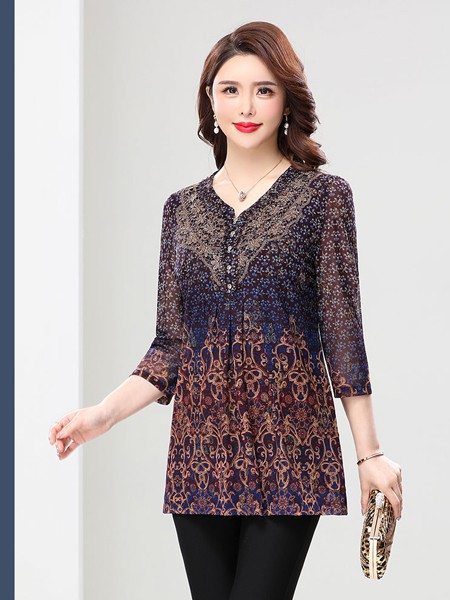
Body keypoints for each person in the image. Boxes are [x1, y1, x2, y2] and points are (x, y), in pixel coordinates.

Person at [48, 21, 403, 600]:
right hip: (201, 452)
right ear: (210, 101)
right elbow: (170, 347)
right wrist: (102, 416)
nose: (247, 106)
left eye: (264, 90)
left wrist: (371, 455)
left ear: (287, 100)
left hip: (290, 448)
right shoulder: (181, 210)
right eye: (230, 89)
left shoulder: (323, 198)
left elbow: (342, 331)